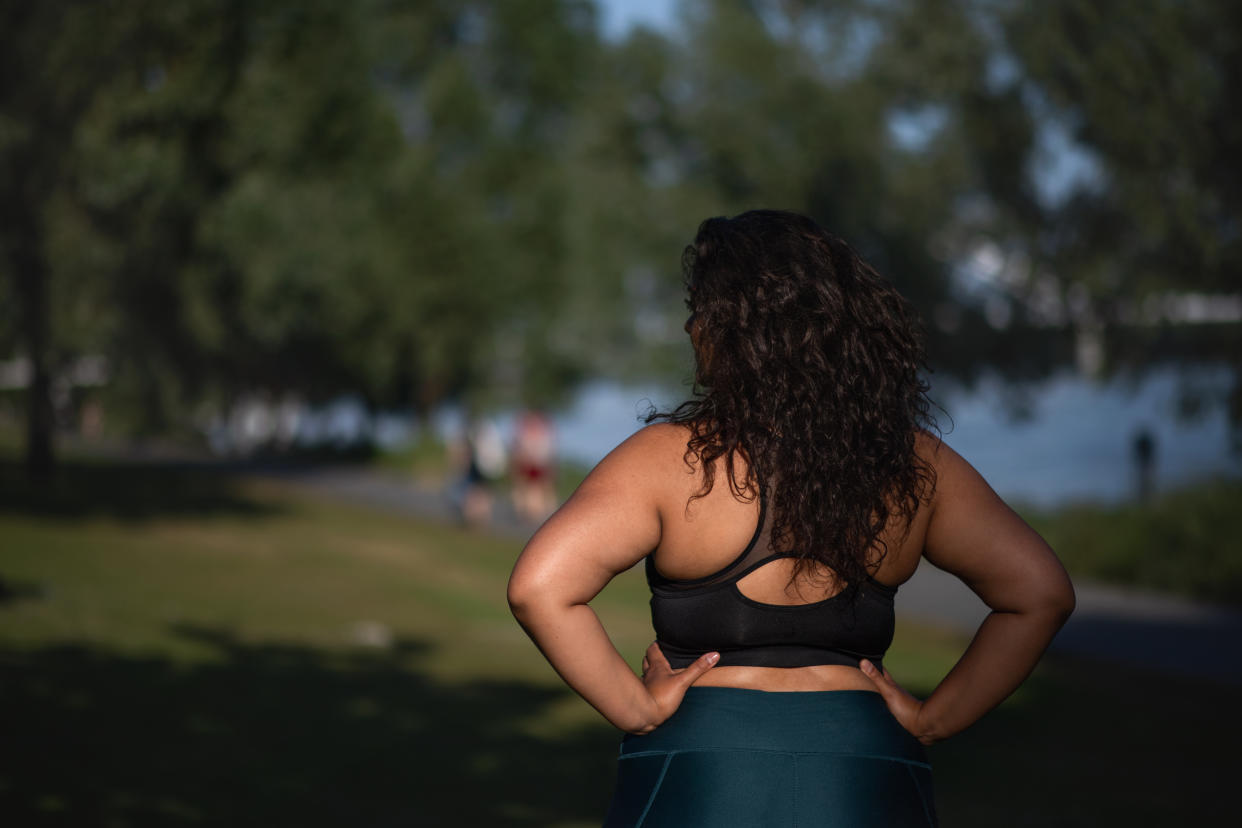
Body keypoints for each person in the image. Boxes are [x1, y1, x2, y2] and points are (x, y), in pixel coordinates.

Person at [507, 210, 1075, 827]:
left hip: (705, 773)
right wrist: (935, 719)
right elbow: (1039, 594)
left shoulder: (669, 461)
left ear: (732, 330)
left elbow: (540, 587)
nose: (690, 325)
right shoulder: (913, 463)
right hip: (867, 773)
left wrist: (635, 710)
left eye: (701, 309)